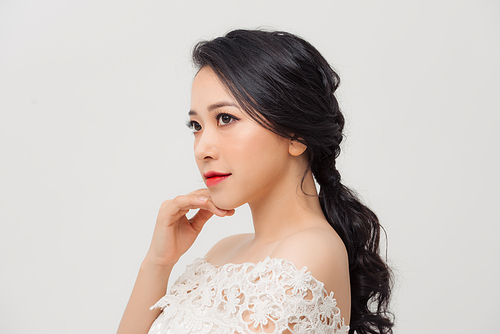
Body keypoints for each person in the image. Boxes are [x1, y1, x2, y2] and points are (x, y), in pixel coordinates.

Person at [117, 29, 393, 334]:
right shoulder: (222, 251)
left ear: (295, 135)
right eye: (196, 125)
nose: (202, 149)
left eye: (225, 118)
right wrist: (158, 263)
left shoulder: (310, 251)